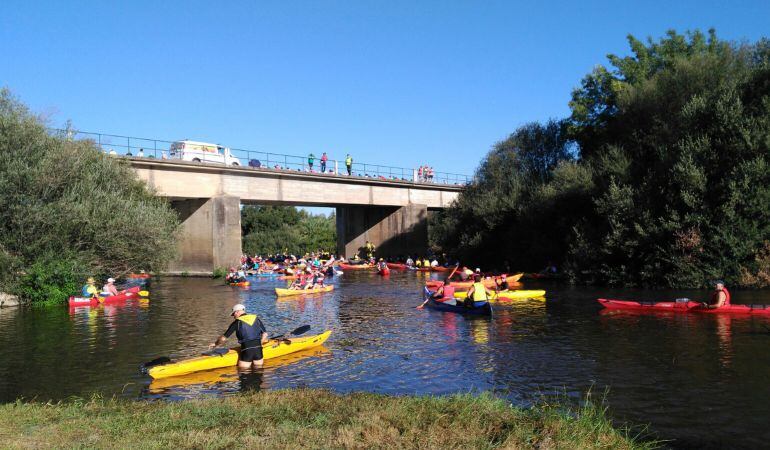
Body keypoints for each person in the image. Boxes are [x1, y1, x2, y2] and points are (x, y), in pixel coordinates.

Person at [210, 304, 268, 369]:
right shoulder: (256, 318)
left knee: (243, 373)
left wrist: (215, 344)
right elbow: (265, 334)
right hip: (258, 349)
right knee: (259, 371)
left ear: (237, 312)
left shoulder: (237, 322)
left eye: (233, 314)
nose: (233, 316)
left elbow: (223, 338)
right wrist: (259, 344)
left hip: (246, 349)